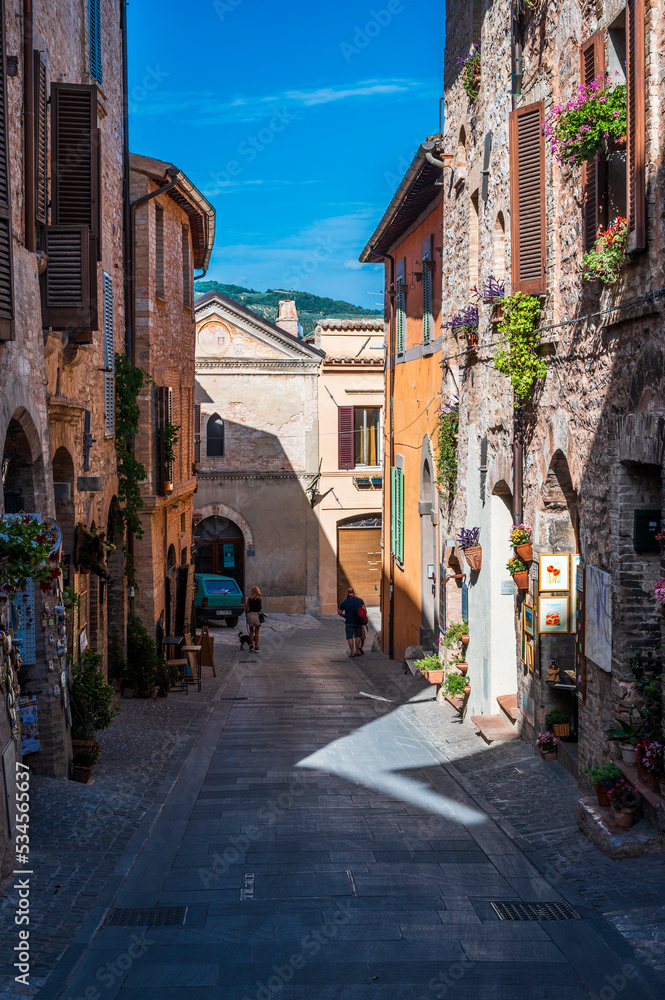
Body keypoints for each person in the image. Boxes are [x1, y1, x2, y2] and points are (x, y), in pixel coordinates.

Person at [338, 587, 365, 657]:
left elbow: (339, 612)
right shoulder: (360, 600)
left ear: (347, 593)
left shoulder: (344, 602)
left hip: (349, 621)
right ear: (354, 593)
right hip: (358, 621)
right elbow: (364, 610)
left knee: (349, 637)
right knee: (358, 636)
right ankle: (356, 650)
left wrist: (344, 615)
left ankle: (352, 652)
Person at [245, 586, 263, 651]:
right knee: (257, 631)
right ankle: (256, 646)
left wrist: (246, 616)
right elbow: (261, 607)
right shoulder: (260, 599)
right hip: (256, 615)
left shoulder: (249, 599)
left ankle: (251, 646)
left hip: (250, 614)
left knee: (251, 631)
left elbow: (246, 608)